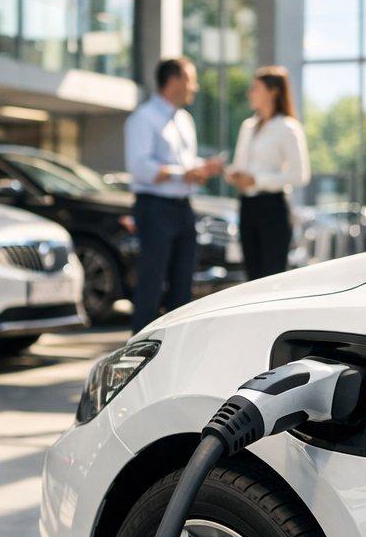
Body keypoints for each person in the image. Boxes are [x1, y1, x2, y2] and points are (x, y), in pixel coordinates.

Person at [124, 57, 224, 332]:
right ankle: (139, 350)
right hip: (154, 208)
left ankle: (175, 348)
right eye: (191, 79)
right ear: (174, 80)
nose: (196, 86)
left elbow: (184, 164)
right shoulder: (143, 118)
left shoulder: (185, 120)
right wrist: (185, 173)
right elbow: (140, 167)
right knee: (152, 282)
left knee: (183, 284)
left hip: (183, 208)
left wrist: (201, 170)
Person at [226, 66, 310, 280]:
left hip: (273, 209)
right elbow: (240, 166)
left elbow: (300, 174)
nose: (250, 93)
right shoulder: (248, 126)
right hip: (247, 207)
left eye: (256, 88)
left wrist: (258, 180)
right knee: (251, 277)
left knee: (272, 278)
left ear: (273, 92)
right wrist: (232, 174)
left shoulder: (288, 127)